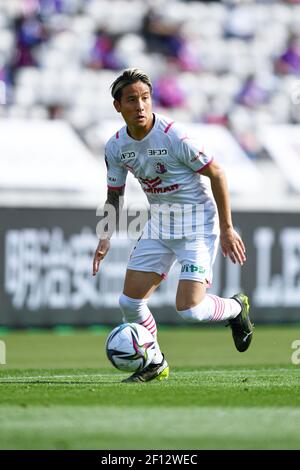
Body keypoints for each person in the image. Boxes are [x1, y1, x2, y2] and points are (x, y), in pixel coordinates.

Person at [93, 68, 253, 383]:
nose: (140, 106)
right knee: (130, 302)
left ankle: (236, 309)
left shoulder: (173, 136)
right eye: (131, 100)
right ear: (118, 106)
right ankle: (154, 362)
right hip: (159, 225)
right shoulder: (115, 147)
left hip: (196, 225)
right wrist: (104, 237)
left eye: (145, 98)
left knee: (190, 309)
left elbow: (217, 174)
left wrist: (227, 228)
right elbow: (114, 195)